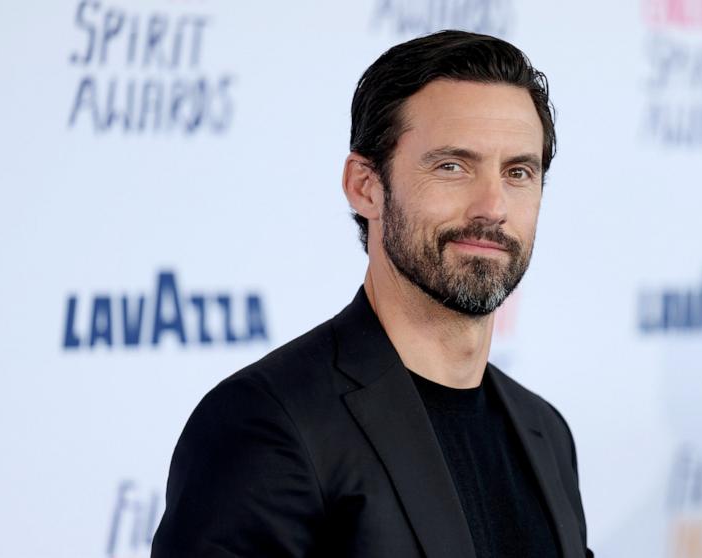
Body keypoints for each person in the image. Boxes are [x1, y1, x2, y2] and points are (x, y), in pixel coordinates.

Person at [152, 30, 592, 558]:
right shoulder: (269, 425)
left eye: (519, 172)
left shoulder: (544, 433)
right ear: (366, 186)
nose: (492, 205)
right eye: (453, 166)